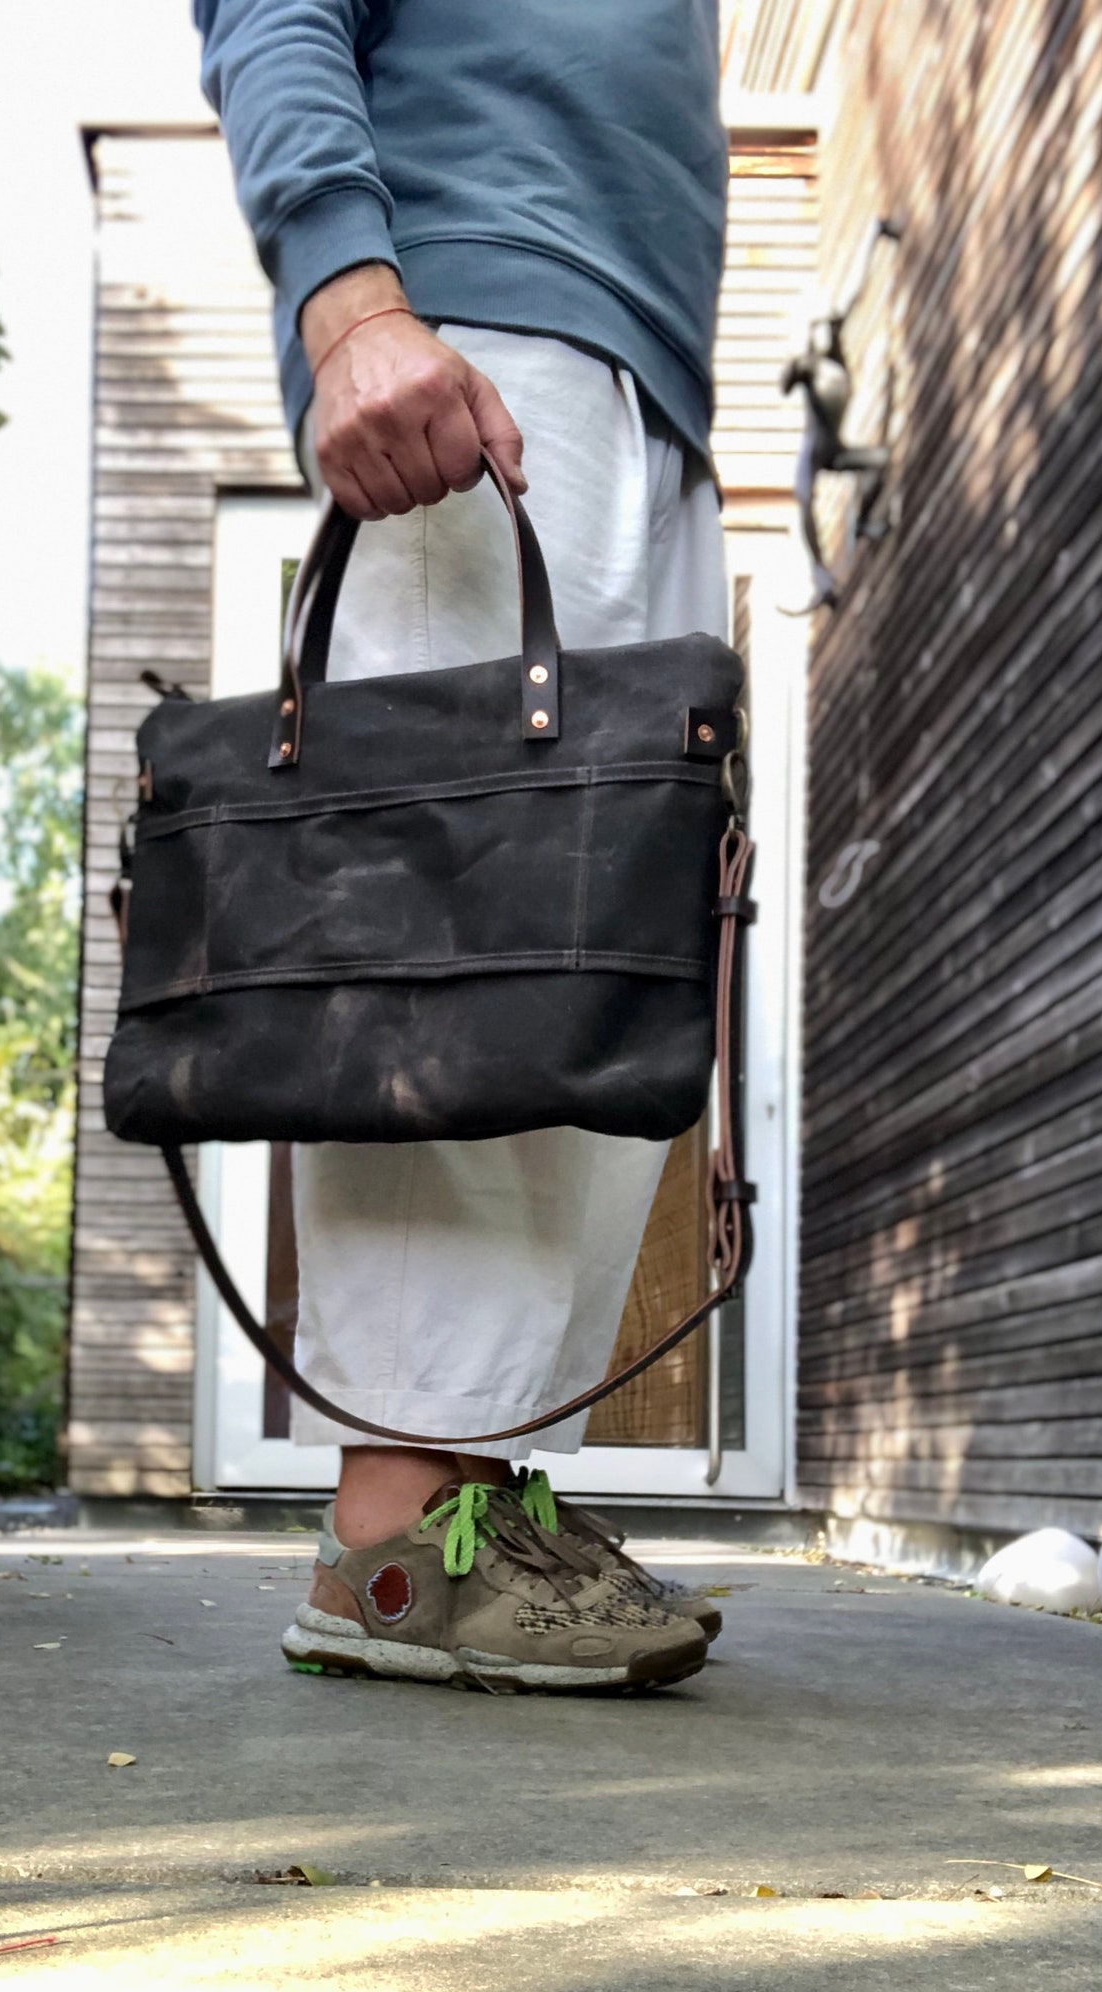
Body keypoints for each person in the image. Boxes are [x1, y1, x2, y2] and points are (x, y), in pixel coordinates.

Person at [193, 0, 731, 1692]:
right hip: (481, 338)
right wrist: (352, 301)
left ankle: (475, 1498)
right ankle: (390, 1540)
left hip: (644, 375)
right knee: (453, 958)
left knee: (579, 971)